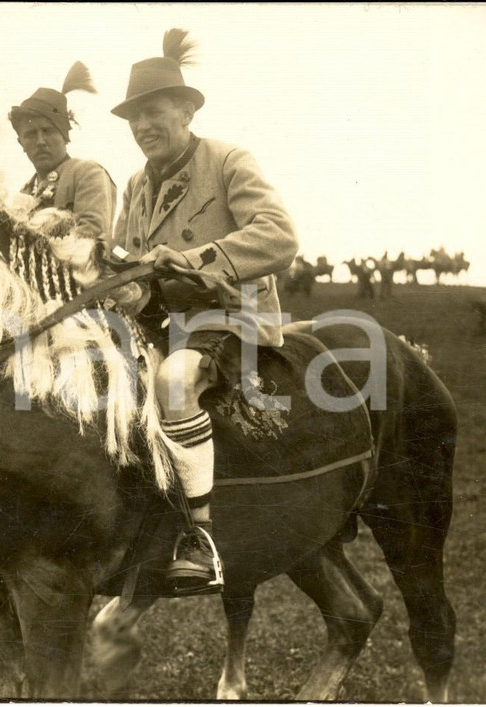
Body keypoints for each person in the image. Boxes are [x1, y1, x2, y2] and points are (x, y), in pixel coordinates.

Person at [110, 29, 298, 594]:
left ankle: (201, 537)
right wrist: (117, 283)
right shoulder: (135, 185)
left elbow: (280, 236)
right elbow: (133, 276)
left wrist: (191, 262)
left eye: (155, 112)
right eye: (134, 119)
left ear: (187, 110)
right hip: (164, 326)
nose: (144, 127)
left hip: (232, 317)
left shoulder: (229, 161)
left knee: (173, 381)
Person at [9, 61, 116, 239]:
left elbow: (91, 232)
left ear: (64, 136)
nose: (41, 141)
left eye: (47, 131)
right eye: (31, 134)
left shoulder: (86, 173)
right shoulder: (24, 192)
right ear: (21, 144)